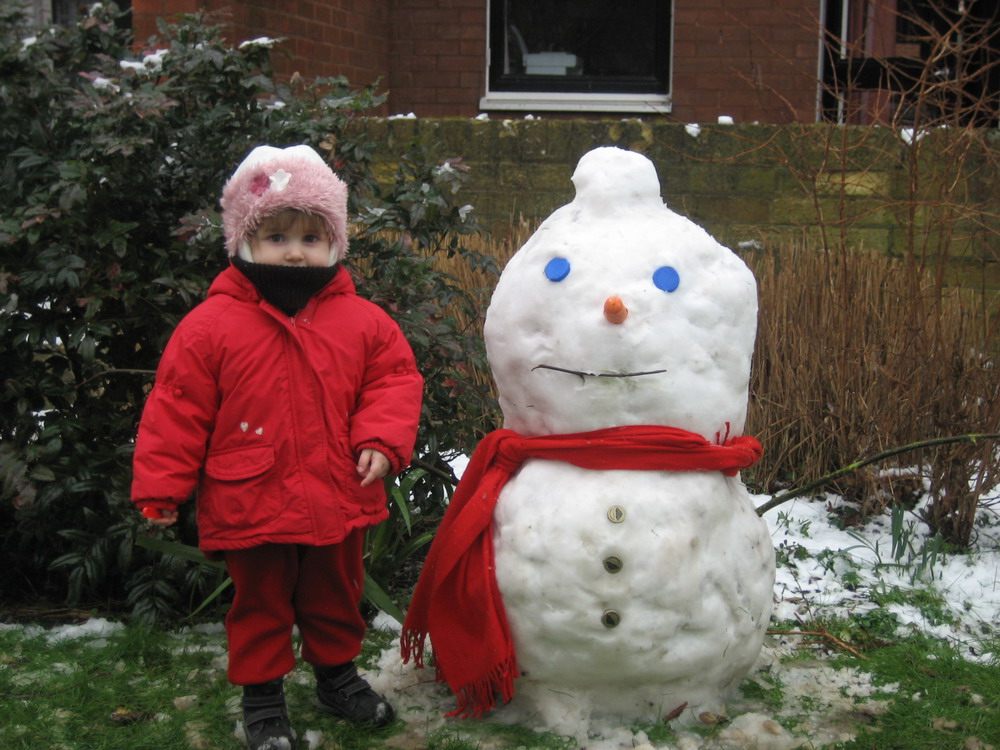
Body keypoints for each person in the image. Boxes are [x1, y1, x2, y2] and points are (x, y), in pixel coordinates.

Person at [131, 144, 423, 749]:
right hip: (250, 498)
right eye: (277, 235)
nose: (295, 250)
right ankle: (263, 697)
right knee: (260, 602)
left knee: (335, 595)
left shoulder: (364, 322)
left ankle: (336, 677)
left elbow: (394, 381)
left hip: (337, 493)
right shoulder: (210, 327)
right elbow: (177, 407)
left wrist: (380, 439)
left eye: (312, 237)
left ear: (335, 245)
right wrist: (162, 489)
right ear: (243, 242)